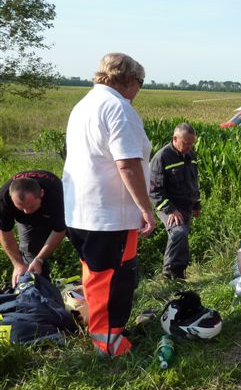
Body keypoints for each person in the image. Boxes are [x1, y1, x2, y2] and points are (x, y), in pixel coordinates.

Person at [63, 52, 155, 357]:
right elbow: (127, 164)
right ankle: (109, 344)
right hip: (110, 214)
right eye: (140, 83)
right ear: (129, 81)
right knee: (115, 279)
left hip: (80, 212)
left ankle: (101, 332)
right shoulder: (118, 107)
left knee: (95, 275)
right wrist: (145, 207)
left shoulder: (84, 105)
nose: (139, 90)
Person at [150, 123, 201, 279]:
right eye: (186, 143)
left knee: (182, 238)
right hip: (168, 206)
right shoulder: (162, 157)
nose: (189, 147)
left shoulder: (190, 154)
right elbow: (154, 190)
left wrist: (197, 203)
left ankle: (179, 275)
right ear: (175, 138)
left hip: (186, 205)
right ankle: (169, 274)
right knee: (178, 233)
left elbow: (194, 181)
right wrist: (171, 210)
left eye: (192, 143)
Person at [0, 171, 66, 286]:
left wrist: (40, 258)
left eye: (31, 206)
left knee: (81, 242)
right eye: (21, 208)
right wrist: (18, 264)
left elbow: (60, 230)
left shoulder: (56, 194)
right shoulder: (4, 199)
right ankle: (41, 294)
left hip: (55, 211)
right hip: (27, 223)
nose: (27, 212)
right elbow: (4, 232)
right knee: (31, 259)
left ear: (41, 193)